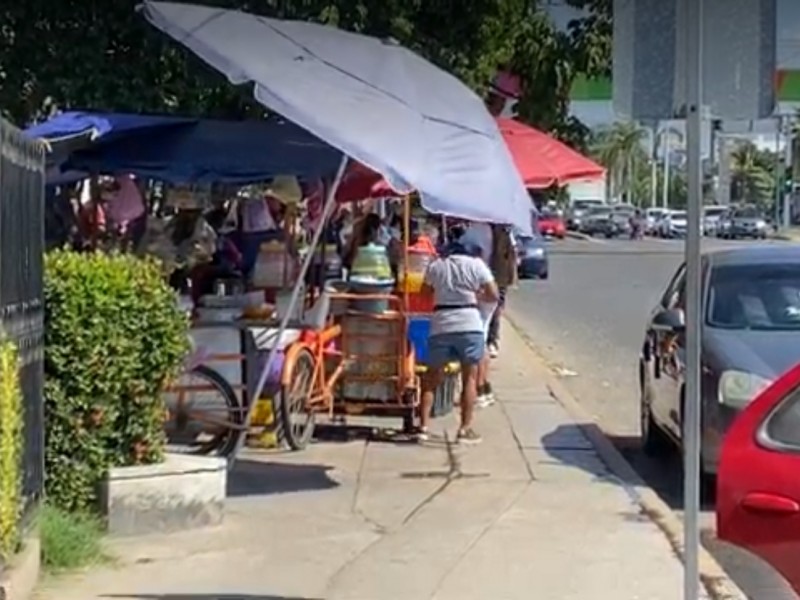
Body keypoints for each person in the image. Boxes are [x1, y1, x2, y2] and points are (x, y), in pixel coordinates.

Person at [418, 239, 499, 444]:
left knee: (431, 377)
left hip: (441, 323)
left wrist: (443, 292)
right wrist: (476, 293)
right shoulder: (477, 265)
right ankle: (464, 429)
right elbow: (493, 295)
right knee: (469, 378)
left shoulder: (436, 266)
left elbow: (424, 293)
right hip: (469, 323)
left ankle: (423, 427)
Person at [486, 224, 517, 358]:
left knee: (496, 309)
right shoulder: (482, 230)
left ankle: (492, 340)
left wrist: (512, 278)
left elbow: (512, 257)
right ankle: (488, 339)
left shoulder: (506, 234)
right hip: (487, 275)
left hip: (499, 277)